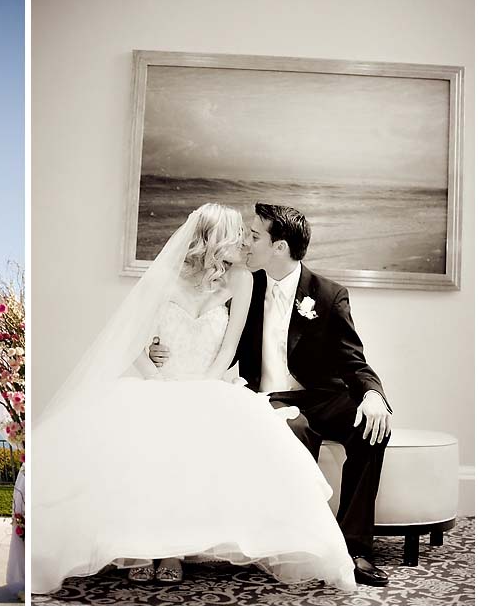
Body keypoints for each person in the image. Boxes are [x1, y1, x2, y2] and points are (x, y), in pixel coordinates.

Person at [32, 204, 356, 595]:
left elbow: (228, 348)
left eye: (250, 235)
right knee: (145, 446)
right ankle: (139, 549)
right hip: (158, 383)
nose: (244, 241)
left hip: (207, 384)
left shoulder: (242, 281)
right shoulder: (162, 280)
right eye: (238, 234)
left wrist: (203, 387)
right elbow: (131, 341)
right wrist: (157, 377)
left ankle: (174, 552)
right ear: (213, 240)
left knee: (197, 441)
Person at [152, 203, 393, 587]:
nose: (247, 242)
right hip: (267, 397)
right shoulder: (242, 283)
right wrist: (156, 347)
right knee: (290, 429)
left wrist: (374, 396)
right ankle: (296, 543)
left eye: (255, 236)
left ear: (279, 247)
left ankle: (356, 548)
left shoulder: (328, 295)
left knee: (370, 428)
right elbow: (199, 320)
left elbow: (354, 360)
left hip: (320, 395)